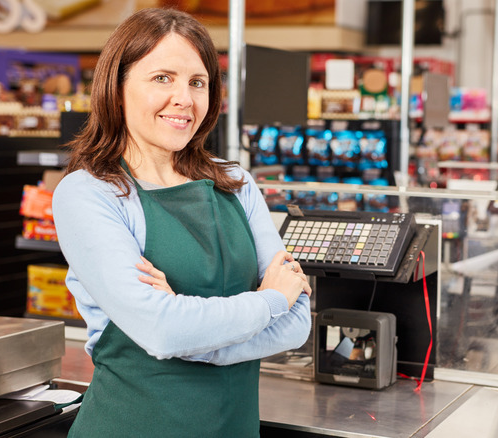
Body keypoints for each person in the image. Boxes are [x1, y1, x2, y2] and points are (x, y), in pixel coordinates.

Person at [52, 8, 312, 437]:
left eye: (198, 82)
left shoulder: (236, 183)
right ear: (116, 90)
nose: (184, 99)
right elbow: (163, 330)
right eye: (162, 78)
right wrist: (268, 302)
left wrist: (189, 330)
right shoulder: (90, 193)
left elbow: (296, 323)